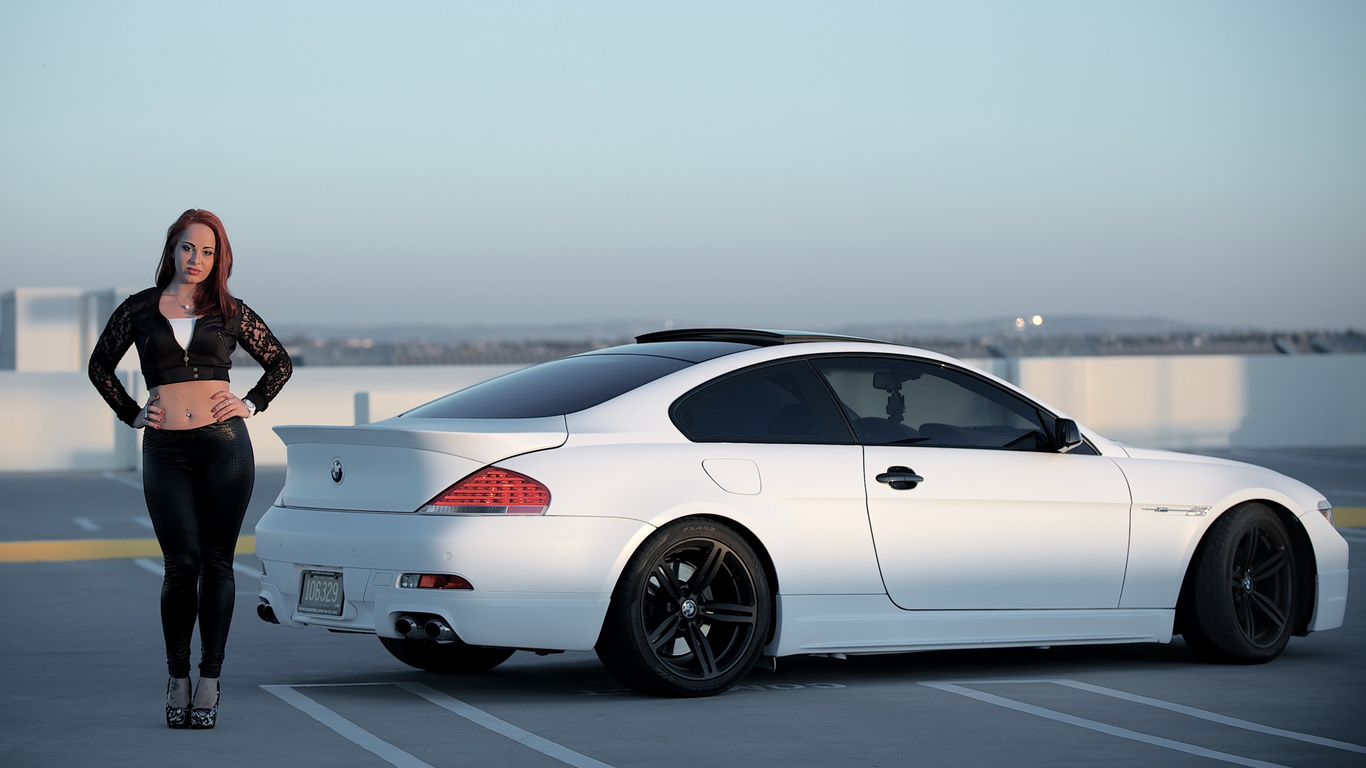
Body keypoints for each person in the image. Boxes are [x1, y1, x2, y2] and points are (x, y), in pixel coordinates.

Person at [88, 209, 292, 729]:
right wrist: (132, 412)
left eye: (208, 251)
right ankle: (177, 675)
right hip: (165, 450)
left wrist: (250, 402)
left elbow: (280, 363)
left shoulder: (230, 309)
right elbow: (99, 365)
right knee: (181, 565)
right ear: (171, 250)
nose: (196, 259)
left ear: (218, 258)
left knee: (218, 564)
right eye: (188, 248)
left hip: (225, 448)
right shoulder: (138, 308)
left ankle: (210, 679)